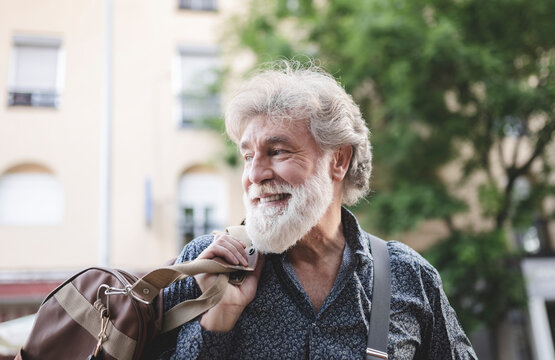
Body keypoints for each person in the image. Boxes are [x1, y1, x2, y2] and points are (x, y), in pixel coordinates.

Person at [153, 60, 477, 359]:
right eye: (248, 156)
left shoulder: (410, 276)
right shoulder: (205, 267)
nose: (254, 175)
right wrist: (218, 318)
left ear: (338, 160)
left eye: (277, 151)